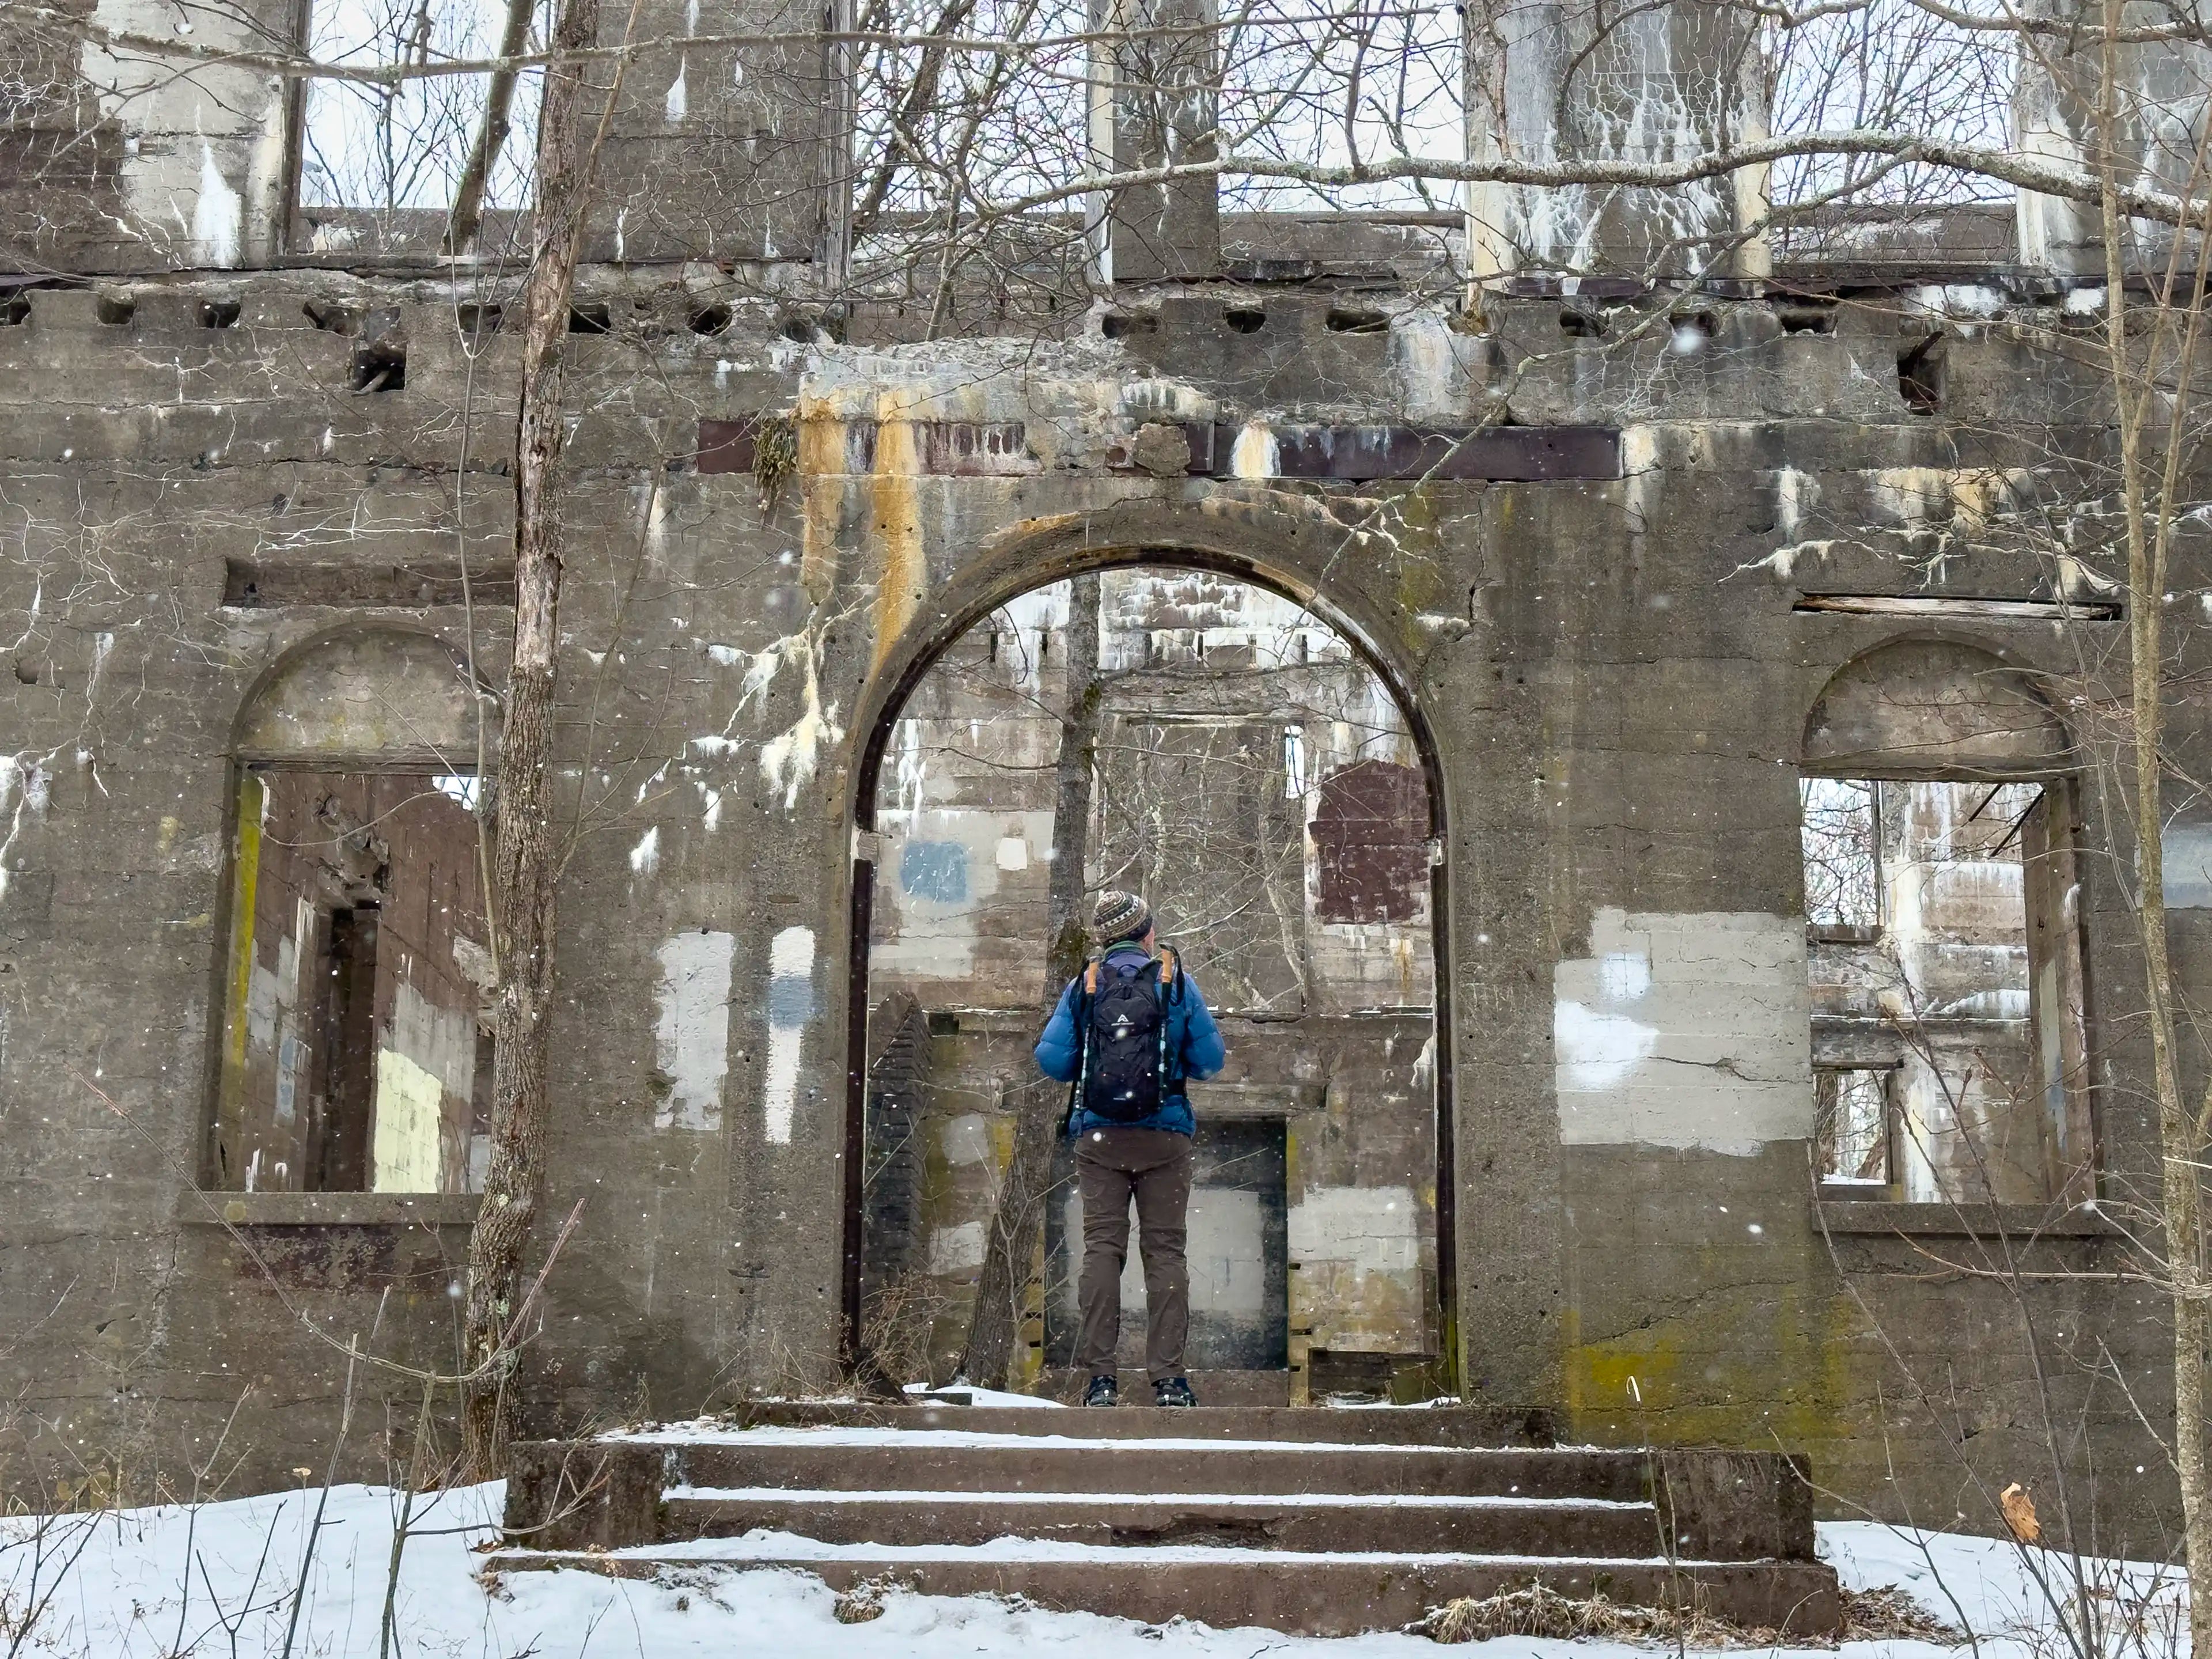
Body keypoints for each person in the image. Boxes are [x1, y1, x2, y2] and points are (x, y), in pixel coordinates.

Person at [1035, 890, 1225, 1408]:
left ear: (1103, 938)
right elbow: (1211, 1061)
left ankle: (1101, 1380)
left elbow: (1052, 1063)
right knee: (1165, 1252)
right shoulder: (1176, 982)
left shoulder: (1086, 985)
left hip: (1100, 1138)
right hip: (1165, 1136)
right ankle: (1169, 1381)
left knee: (1102, 1249)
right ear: (1148, 933)